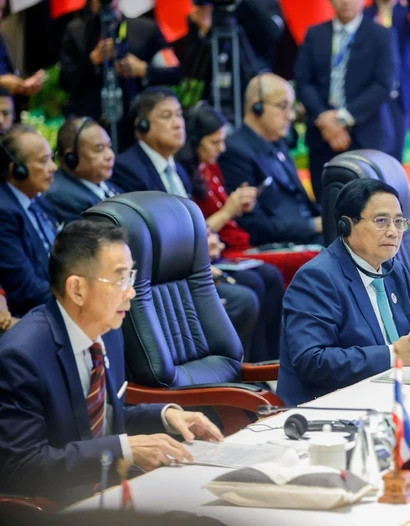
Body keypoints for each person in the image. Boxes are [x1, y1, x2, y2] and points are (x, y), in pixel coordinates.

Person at [0, 220, 222, 505]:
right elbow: (22, 467)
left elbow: (99, 422)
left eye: (131, 276)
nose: (131, 292)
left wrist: (164, 416)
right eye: (120, 280)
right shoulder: (21, 357)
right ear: (77, 289)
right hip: (57, 508)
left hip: (113, 492)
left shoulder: (109, 333)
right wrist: (122, 449)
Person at [278, 178, 410, 405]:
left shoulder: (393, 269)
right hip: (334, 406)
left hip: (396, 395)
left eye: (398, 221)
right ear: (346, 226)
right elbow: (313, 361)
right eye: (381, 221)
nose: (393, 232)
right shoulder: (317, 278)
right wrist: (394, 355)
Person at [180, 102, 286, 362]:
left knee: (271, 276)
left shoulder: (211, 167)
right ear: (195, 142)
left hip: (223, 246)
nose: (222, 148)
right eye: (215, 142)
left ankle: (270, 360)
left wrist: (238, 206)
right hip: (211, 253)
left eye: (223, 141)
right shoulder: (186, 172)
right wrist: (229, 210)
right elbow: (196, 228)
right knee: (254, 283)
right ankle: (251, 363)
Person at [294, 0, 395, 201]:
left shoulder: (380, 35)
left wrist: (341, 118)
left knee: (365, 203)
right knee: (325, 201)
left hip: (365, 135)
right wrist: (325, 120)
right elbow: (303, 81)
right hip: (322, 135)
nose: (346, 1)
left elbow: (383, 85)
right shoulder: (315, 34)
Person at [60, 0, 182, 150]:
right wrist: (92, 61)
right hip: (91, 126)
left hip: (135, 126)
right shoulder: (77, 31)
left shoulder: (144, 29)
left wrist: (143, 69)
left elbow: (174, 73)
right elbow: (65, 80)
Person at [220, 73, 322, 245]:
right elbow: (254, 225)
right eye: (283, 106)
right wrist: (312, 226)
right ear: (257, 107)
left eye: (292, 107)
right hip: (286, 241)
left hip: (309, 233)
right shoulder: (235, 151)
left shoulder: (279, 144)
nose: (290, 116)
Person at [0, 125, 58, 316]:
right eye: (44, 161)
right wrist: (73, 301)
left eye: (51, 158)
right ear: (17, 169)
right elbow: (24, 287)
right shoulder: (4, 212)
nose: (53, 167)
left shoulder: (40, 201)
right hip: (33, 315)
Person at [364, 0, 410, 161]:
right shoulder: (367, 14)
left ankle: (394, 174)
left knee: (398, 143)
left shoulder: (403, 11)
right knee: (376, 143)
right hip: (373, 88)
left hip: (401, 89)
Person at [111, 87, 191, 195]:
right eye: (167, 116)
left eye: (179, 114)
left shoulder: (180, 170)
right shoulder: (127, 169)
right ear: (142, 125)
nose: (178, 124)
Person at [47, 117, 121, 224]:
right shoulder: (63, 197)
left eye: (109, 146)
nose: (110, 155)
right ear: (71, 158)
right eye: (99, 149)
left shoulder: (107, 185)